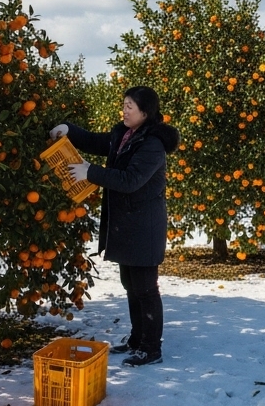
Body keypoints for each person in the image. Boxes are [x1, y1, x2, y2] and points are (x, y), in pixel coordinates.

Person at [52, 86, 180, 368]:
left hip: (143, 226)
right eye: (124, 105)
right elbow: (95, 141)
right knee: (130, 285)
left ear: (145, 112)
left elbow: (131, 180)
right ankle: (137, 339)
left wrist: (91, 172)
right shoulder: (124, 135)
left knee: (146, 288)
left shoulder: (152, 145)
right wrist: (68, 130)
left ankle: (151, 348)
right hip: (126, 225)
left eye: (130, 106)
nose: (124, 110)